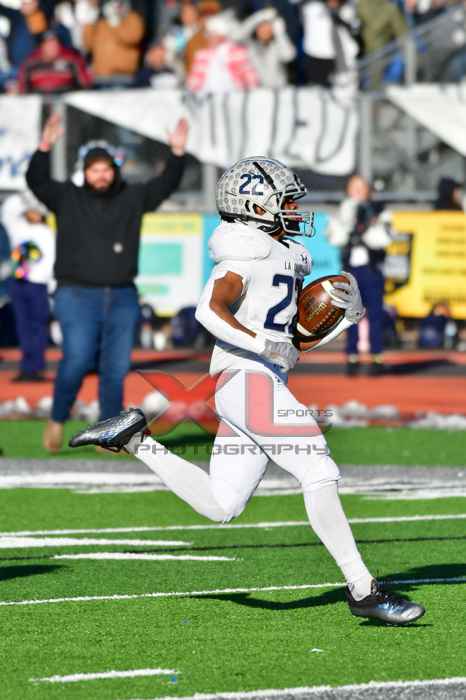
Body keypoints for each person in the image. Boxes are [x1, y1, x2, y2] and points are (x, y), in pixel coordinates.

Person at [70, 157, 425, 626]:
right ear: (256, 205)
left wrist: (337, 322)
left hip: (256, 380)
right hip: (246, 379)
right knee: (318, 468)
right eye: (286, 201)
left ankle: (136, 438)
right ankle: (364, 589)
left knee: (222, 504)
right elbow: (209, 310)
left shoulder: (279, 252)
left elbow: (289, 341)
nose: (294, 209)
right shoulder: (246, 249)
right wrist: (264, 344)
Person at [26, 112, 189, 452]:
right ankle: (57, 418)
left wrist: (176, 153)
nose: (100, 175)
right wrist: (44, 147)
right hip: (76, 294)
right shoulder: (67, 197)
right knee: (77, 360)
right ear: (84, 173)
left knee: (115, 368)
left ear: (115, 170)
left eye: (106, 169)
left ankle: (108, 432)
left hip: (122, 295)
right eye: (94, 169)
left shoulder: (132, 197)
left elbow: (165, 184)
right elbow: (36, 180)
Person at [327, 175, 392, 376]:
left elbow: (383, 240)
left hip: (371, 270)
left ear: (368, 190)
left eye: (361, 187)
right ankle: (352, 356)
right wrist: (350, 222)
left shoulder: (380, 211)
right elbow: (335, 237)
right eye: (353, 187)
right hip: (351, 270)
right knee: (350, 315)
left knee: (375, 314)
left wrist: (367, 225)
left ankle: (376, 356)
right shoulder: (342, 210)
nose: (357, 191)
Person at [2, 191, 54, 382]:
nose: (34, 214)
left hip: (37, 284)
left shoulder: (46, 232)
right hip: (18, 283)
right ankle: (26, 367)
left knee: (38, 326)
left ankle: (37, 367)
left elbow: (50, 259)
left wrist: (47, 282)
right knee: (23, 326)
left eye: (37, 211)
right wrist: (26, 195)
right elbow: (8, 210)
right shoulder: (18, 228)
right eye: (30, 210)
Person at [234, 7, 296, 89]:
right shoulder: (251, 45)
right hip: (256, 90)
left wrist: (280, 33)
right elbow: (236, 36)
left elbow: (289, 56)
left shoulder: (277, 45)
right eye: (261, 27)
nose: (264, 31)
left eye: (267, 28)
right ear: (256, 29)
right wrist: (259, 17)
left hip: (279, 89)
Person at [18, 29, 91, 94]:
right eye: (48, 44)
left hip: (66, 100)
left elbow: (85, 85)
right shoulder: (30, 63)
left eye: (55, 44)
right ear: (42, 46)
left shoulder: (71, 60)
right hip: (38, 100)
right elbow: (22, 89)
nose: (52, 47)